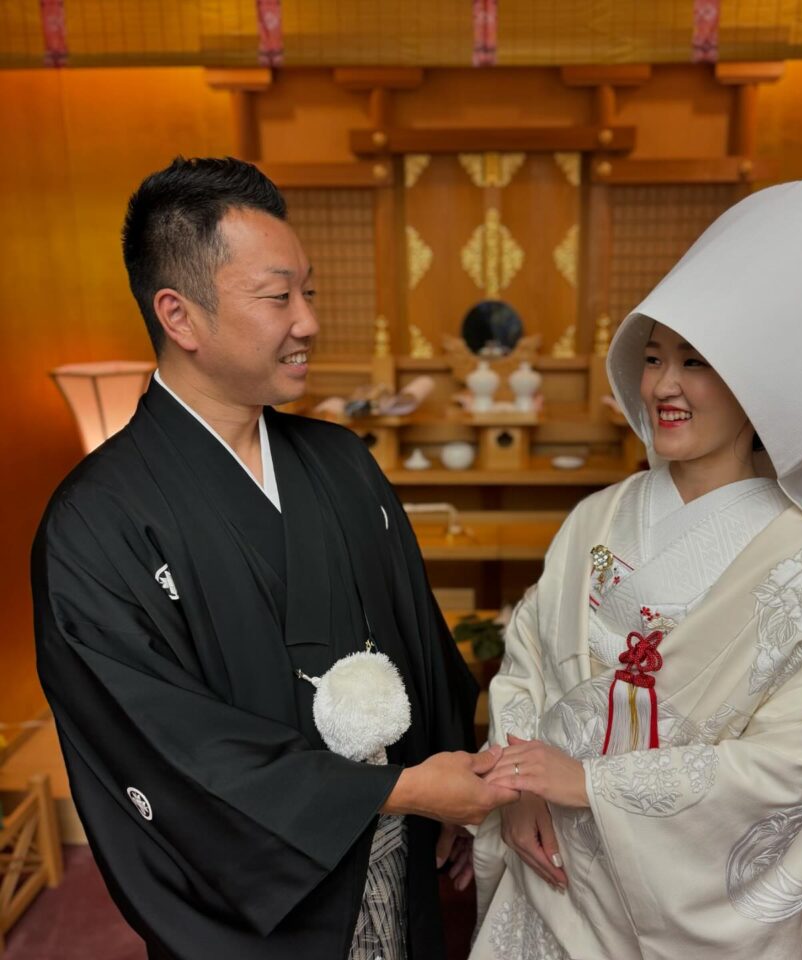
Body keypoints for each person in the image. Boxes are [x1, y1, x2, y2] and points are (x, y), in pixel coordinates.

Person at [32, 156, 517, 960]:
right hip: (259, 907)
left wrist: (443, 780)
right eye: (277, 296)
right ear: (179, 316)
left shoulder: (340, 463)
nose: (308, 321)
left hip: (395, 865)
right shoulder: (96, 521)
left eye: (309, 292)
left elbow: (417, 642)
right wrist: (399, 790)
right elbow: (162, 742)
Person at [470, 180, 802, 959]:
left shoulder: (797, 560)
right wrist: (520, 785)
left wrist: (594, 785)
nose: (664, 385)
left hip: (680, 894)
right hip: (554, 867)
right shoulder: (599, 515)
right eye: (655, 359)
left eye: (695, 363)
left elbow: (798, 753)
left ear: (753, 384)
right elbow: (526, 653)